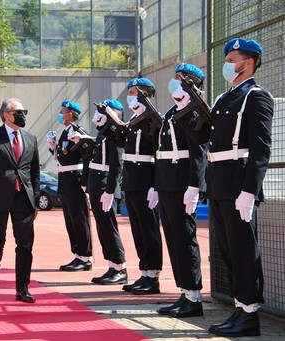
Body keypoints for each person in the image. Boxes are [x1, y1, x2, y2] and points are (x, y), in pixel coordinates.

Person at [177, 38, 273, 337]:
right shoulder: (222, 99)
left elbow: (261, 150)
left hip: (239, 185)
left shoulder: (256, 97)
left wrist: (250, 191)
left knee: (244, 251)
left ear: (249, 61)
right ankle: (239, 307)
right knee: (228, 251)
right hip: (220, 183)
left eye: (233, 58)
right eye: (227, 58)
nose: (227, 63)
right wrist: (187, 108)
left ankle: (250, 314)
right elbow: (203, 137)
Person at [154, 63, 207, 318]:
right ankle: (184, 291)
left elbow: (199, 153)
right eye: (174, 77)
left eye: (180, 78)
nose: (174, 82)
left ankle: (194, 297)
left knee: (185, 240)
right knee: (174, 240)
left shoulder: (195, 112)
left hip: (182, 184)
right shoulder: (172, 112)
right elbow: (161, 153)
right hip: (167, 183)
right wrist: (156, 184)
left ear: (192, 84)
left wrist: (195, 186)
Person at [0, 98, 40, 304]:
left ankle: (22, 288)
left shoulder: (31, 138)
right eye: (18, 112)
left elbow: (35, 172)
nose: (22, 115)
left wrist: (35, 200)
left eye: (24, 111)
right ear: (6, 115)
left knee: (25, 244)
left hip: (24, 199)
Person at [104, 78, 163, 295]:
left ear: (144, 94)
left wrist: (156, 185)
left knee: (149, 230)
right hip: (132, 182)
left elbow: (159, 154)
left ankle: (153, 275)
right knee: (138, 230)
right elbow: (121, 143)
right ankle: (144, 272)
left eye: (133, 92)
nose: (129, 96)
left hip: (146, 181)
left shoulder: (152, 120)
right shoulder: (135, 120)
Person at [70, 99, 127, 285]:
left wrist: (110, 190)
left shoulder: (114, 135)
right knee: (102, 229)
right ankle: (111, 266)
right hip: (96, 184)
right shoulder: (103, 134)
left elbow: (116, 165)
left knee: (109, 228)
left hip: (104, 186)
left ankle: (120, 268)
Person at [46, 100, 92, 272]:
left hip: (75, 179)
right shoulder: (66, 132)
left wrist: (85, 183)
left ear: (70, 114)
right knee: (70, 220)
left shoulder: (77, 132)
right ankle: (77, 254)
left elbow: (88, 156)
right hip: (64, 179)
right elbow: (63, 157)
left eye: (62, 111)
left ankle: (85, 257)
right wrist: (53, 148)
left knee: (79, 218)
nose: (60, 114)